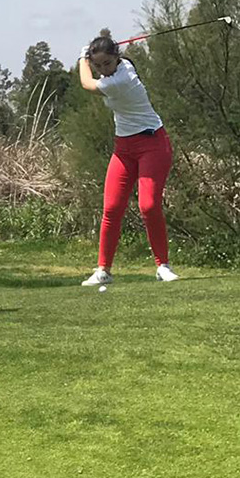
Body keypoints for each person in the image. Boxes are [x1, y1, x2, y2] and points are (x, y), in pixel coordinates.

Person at [77, 28, 180, 286]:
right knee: (111, 208)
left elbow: (86, 84)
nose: (104, 70)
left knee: (149, 206)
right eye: (98, 65)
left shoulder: (121, 80)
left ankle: (163, 266)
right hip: (123, 148)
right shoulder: (123, 67)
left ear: (117, 59)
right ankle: (103, 270)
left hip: (152, 143)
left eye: (108, 63)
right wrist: (88, 59)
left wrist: (82, 59)